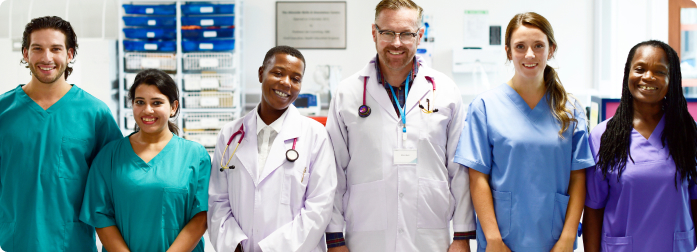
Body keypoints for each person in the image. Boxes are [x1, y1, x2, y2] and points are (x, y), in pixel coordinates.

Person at [324, 0, 475, 251]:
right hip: (365, 236)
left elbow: (459, 170)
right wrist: (335, 239)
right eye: (387, 33)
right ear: (374, 33)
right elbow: (333, 172)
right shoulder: (347, 94)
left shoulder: (446, 91)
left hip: (430, 235)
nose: (396, 43)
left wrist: (461, 236)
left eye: (406, 33)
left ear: (420, 35)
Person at [454, 12, 595, 251]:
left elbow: (578, 177)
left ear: (551, 50)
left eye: (538, 45)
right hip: (501, 240)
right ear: (508, 52)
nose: (529, 54)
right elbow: (477, 177)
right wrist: (494, 239)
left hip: (554, 240)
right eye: (520, 46)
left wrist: (567, 238)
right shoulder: (485, 107)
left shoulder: (570, 110)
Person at [0, 16, 123, 252]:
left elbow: (114, 185)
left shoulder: (95, 113)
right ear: (25, 54)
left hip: (73, 243)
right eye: (38, 48)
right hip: (15, 242)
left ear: (69, 54)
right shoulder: (4, 111)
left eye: (56, 49)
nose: (47, 58)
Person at [208, 46, 337, 252]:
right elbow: (218, 199)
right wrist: (234, 245)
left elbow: (319, 206)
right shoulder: (230, 134)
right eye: (278, 73)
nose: (286, 83)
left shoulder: (315, 134)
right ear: (261, 74)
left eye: (295, 78)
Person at [582, 40, 697, 251]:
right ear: (628, 74)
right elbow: (593, 208)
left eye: (660, 71)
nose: (648, 77)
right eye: (640, 69)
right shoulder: (603, 136)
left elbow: (696, 198)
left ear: (672, 80)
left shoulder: (687, 134)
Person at [79, 69, 210, 251]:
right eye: (140, 102)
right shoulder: (109, 156)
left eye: (157, 103)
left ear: (173, 107)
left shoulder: (195, 156)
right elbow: (101, 216)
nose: (147, 110)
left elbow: (201, 216)